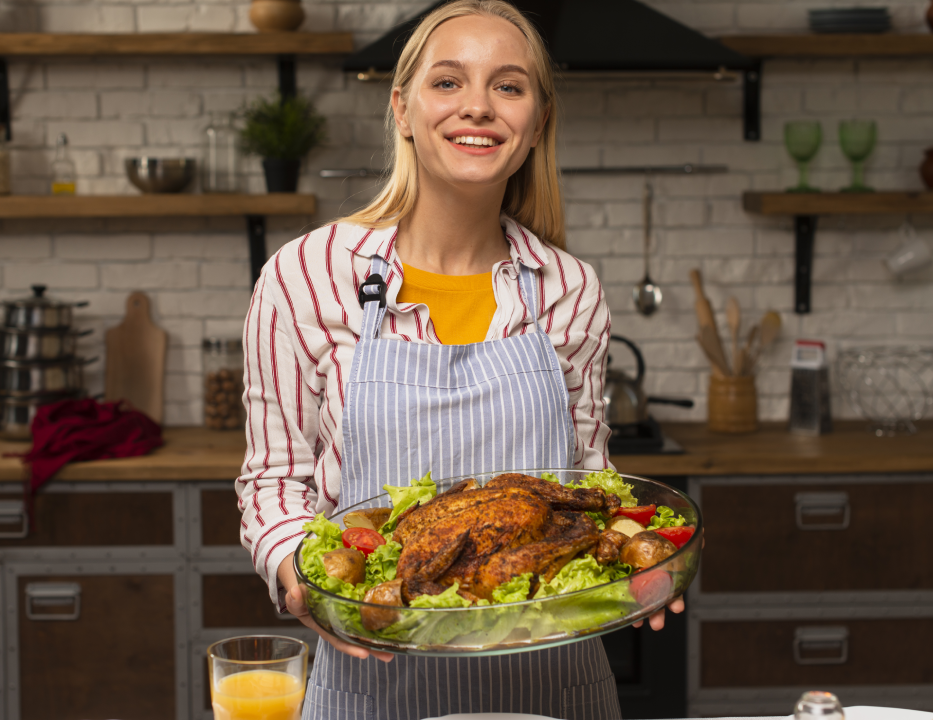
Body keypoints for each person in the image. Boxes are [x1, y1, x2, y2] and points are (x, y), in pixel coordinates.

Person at [237, 2, 682, 717]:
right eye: (448, 82)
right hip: (371, 683)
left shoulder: (568, 289)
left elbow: (587, 479)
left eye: (509, 87)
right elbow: (274, 482)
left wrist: (643, 557)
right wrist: (300, 575)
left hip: (555, 687)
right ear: (402, 109)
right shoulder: (306, 275)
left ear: (537, 123)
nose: (478, 106)